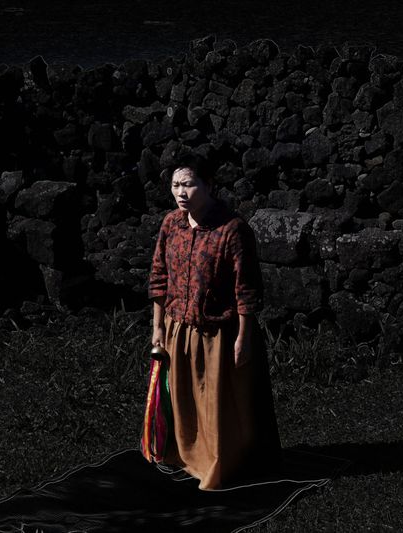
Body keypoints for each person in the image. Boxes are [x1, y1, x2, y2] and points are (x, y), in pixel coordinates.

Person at [146, 152, 282, 490]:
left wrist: (244, 337)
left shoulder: (232, 230)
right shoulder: (171, 224)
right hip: (178, 327)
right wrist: (158, 327)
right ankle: (185, 457)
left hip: (218, 331)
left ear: (209, 185)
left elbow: (246, 290)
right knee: (183, 399)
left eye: (189, 184)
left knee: (216, 404)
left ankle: (220, 464)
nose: (180, 192)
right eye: (176, 184)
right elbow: (159, 277)